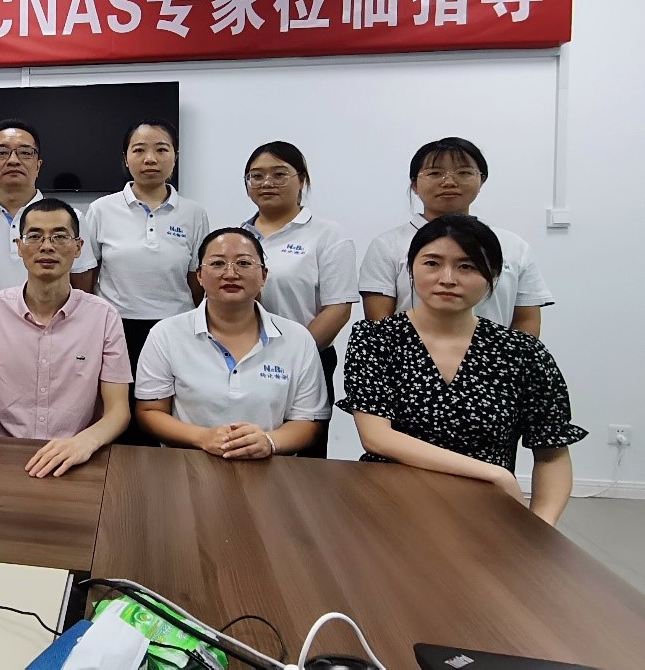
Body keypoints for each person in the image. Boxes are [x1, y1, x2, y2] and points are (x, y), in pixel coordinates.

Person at [339, 215, 585, 525]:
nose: (447, 278)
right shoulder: (376, 340)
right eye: (432, 263)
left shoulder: (522, 353)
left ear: (493, 275)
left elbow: (552, 453)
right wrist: (493, 473)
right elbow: (377, 437)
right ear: (411, 269)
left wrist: (540, 527)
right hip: (389, 505)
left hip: (485, 511)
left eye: (466, 266)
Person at [0, 198, 131, 478]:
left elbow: (118, 411)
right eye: (34, 236)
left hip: (75, 458)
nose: (47, 246)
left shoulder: (104, 317)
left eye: (60, 236)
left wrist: (85, 442)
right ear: (19, 246)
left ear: (78, 248)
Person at [135, 227, 330, 456]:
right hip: (188, 462)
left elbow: (308, 421)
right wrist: (203, 438)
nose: (230, 273)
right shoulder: (166, 334)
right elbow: (150, 411)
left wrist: (268, 441)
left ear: (264, 275)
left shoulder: (297, 339)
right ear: (199, 275)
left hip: (271, 465)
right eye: (217, 263)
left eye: (244, 263)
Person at [83, 119, 208, 443]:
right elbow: (87, 275)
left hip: (176, 330)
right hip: (116, 329)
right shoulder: (101, 210)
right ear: (126, 158)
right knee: (118, 417)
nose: (150, 159)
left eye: (161, 149)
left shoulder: (194, 213)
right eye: (139, 150)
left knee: (169, 416)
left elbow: (197, 278)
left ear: (175, 157)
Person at [359, 137, 552, 336]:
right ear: (414, 184)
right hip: (410, 354)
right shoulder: (387, 246)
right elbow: (379, 323)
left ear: (481, 180)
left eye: (464, 172)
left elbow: (526, 319)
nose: (449, 182)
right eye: (435, 173)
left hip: (496, 355)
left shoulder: (513, 246)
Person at [239, 141, 357, 458]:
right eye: (256, 176)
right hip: (241, 360)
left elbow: (338, 309)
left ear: (301, 180)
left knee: (303, 454)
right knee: (248, 444)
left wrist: (293, 354)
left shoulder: (327, 235)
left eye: (279, 174)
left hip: (309, 359)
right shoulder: (237, 237)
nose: (267, 182)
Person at [0, 119, 94, 308]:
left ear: (38, 166)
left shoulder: (72, 219)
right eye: (1, 153)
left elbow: (81, 289)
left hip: (55, 325)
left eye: (25, 152)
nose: (13, 160)